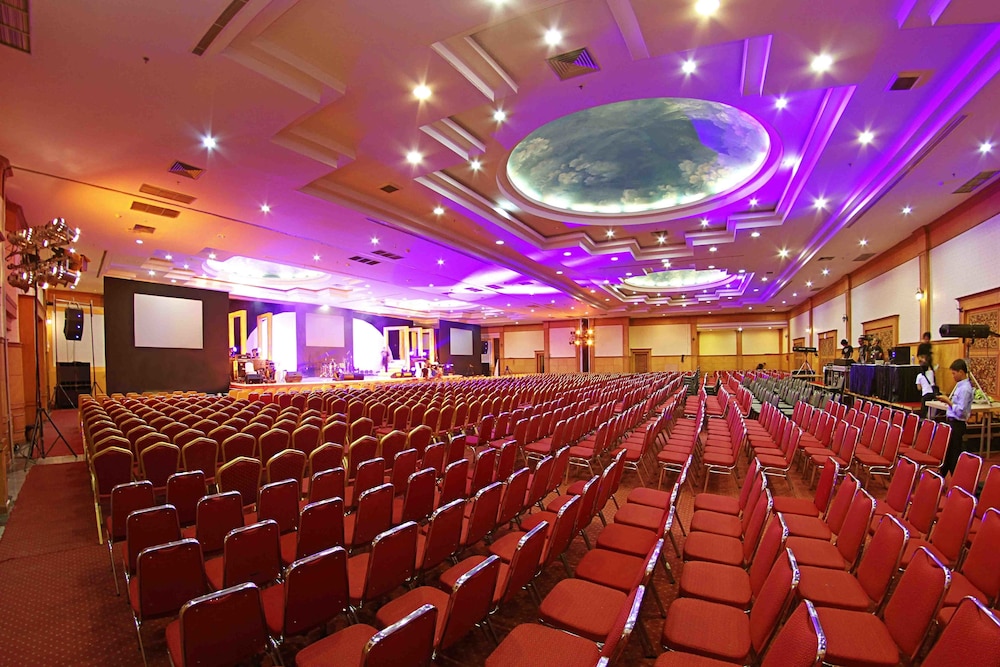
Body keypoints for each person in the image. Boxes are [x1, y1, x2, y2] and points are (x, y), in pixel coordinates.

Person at [936, 358, 974, 477]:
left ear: (961, 372)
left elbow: (961, 411)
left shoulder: (965, 389)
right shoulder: (960, 386)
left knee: (953, 455)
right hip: (952, 423)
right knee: (948, 454)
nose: (953, 376)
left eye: (954, 373)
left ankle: (957, 480)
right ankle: (940, 477)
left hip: (957, 424)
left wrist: (948, 402)